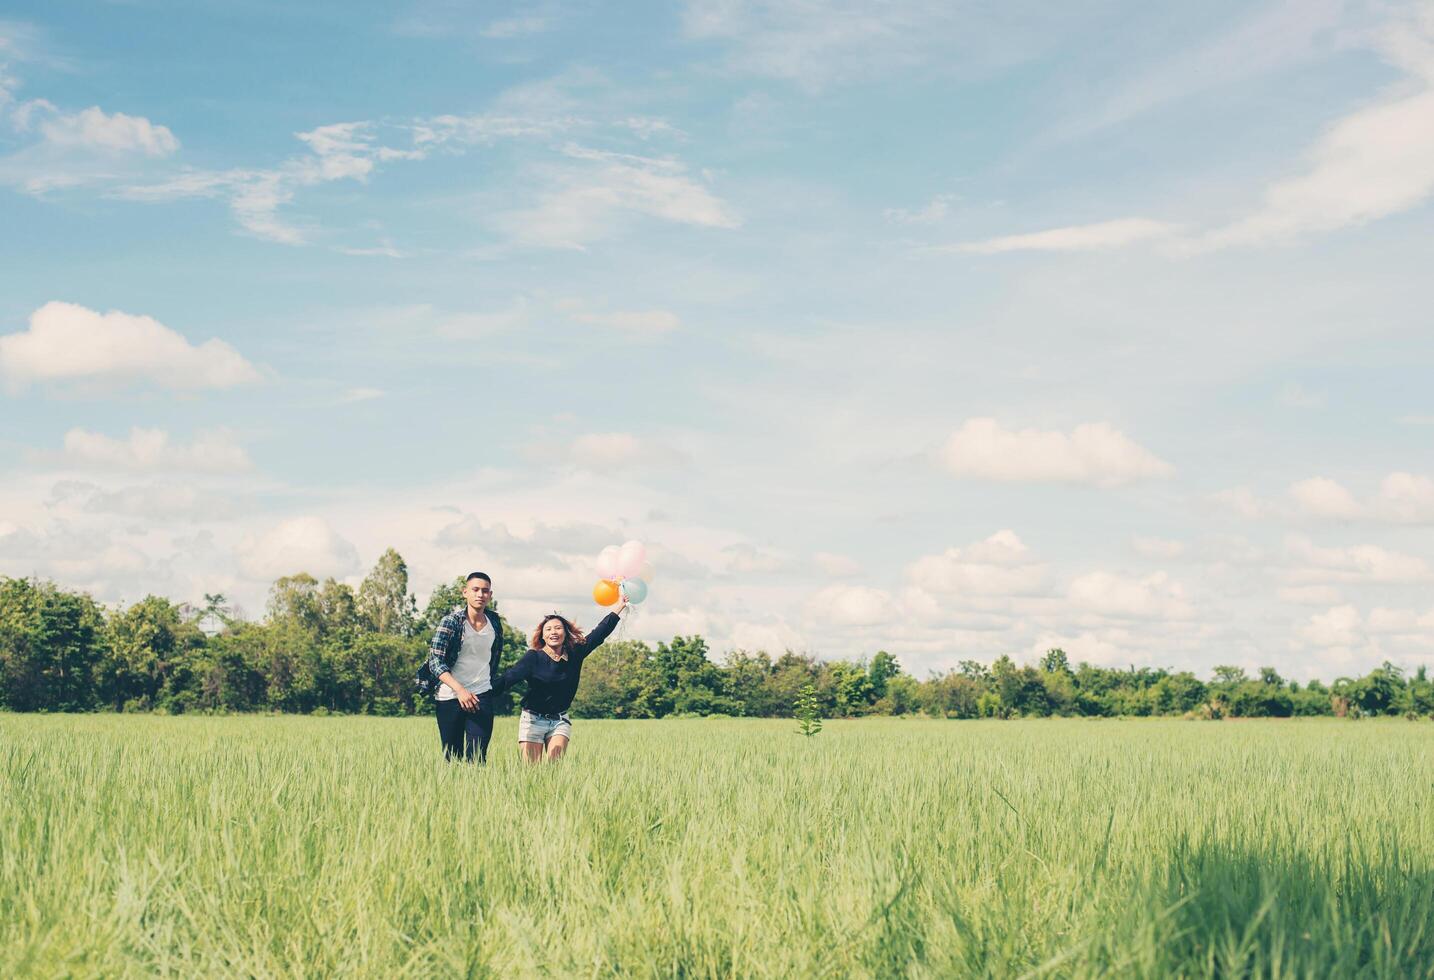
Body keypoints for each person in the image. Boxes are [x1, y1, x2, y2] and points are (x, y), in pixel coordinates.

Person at [489, 597, 627, 762]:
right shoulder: (533, 657)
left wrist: (619, 606)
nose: (553, 632)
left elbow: (599, 633)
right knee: (531, 773)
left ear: (565, 632)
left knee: (554, 769)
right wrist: (479, 693)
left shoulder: (576, 653)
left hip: (559, 719)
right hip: (532, 719)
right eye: (548, 629)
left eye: (557, 628)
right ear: (542, 636)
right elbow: (507, 679)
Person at [423, 572, 504, 762]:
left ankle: (477, 793)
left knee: (477, 758)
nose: (480, 595)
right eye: (475, 590)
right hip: (450, 696)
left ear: (490, 595)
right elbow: (435, 661)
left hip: (481, 695)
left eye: (485, 591)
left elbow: (494, 656)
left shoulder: (494, 622)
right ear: (465, 592)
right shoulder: (451, 622)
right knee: (453, 758)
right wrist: (459, 690)